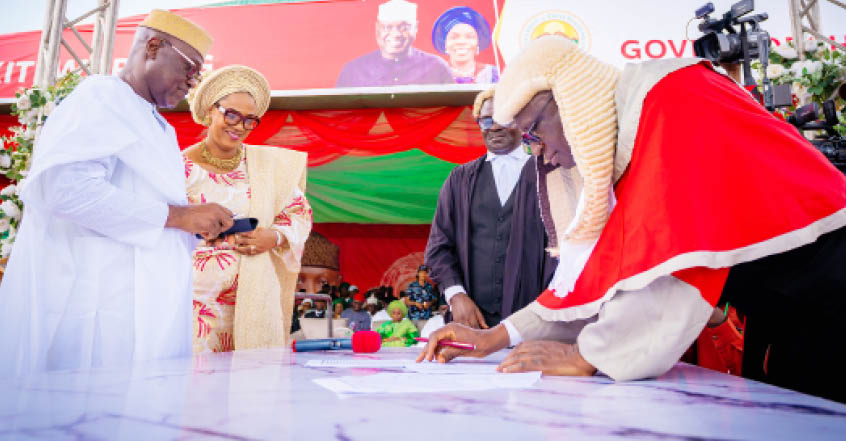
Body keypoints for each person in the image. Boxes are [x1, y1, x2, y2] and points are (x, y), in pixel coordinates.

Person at [419, 36, 846, 403]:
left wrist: (588, 356)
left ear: (569, 102)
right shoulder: (629, 148)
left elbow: (678, 273)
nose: (541, 155)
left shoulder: (673, 98)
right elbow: (594, 284)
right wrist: (495, 336)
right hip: (782, 310)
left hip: (829, 295)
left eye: (534, 133)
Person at [0, 10, 236, 376]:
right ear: (154, 46)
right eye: (189, 69)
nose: (192, 82)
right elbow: (66, 191)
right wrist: (178, 216)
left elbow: (137, 202)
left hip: (140, 308)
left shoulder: (154, 122)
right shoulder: (100, 97)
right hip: (100, 312)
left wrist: (190, 223)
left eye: (197, 74)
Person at [184, 65, 312, 353]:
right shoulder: (178, 167)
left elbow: (298, 214)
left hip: (253, 303)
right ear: (209, 111)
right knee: (191, 389)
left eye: (249, 120)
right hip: (189, 305)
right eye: (231, 115)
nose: (239, 126)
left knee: (249, 389)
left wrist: (275, 237)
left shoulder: (268, 167)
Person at [425, 88, 556, 329]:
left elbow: (562, 251)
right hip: (470, 324)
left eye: (503, 118)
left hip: (530, 324)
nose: (494, 127)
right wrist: (456, 296)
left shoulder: (546, 175)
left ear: (521, 121)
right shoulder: (459, 179)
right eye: (486, 120)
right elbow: (438, 248)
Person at [336, 0, 453, 87]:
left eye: (404, 27)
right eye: (387, 27)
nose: (396, 34)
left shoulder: (437, 68)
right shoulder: (353, 71)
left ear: (416, 28)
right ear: (377, 29)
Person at [431, 6, 498, 84]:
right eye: (454, 37)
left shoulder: (493, 74)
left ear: (478, 43)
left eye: (469, 36)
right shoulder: (433, 75)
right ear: (445, 44)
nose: (461, 42)